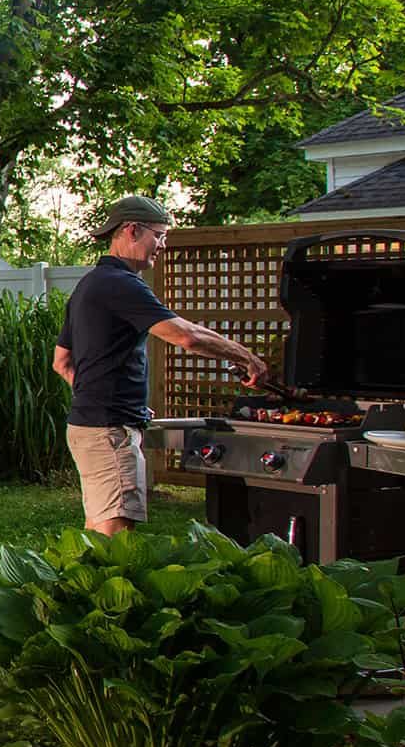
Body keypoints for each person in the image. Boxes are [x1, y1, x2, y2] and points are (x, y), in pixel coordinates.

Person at [53, 195, 269, 535]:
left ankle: (81, 588)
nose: (163, 245)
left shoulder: (89, 284)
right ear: (132, 230)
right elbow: (187, 336)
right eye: (160, 235)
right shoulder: (120, 284)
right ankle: (101, 590)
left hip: (89, 425)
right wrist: (245, 356)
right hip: (109, 429)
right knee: (115, 534)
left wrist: (104, 398)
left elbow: (61, 361)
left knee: (99, 530)